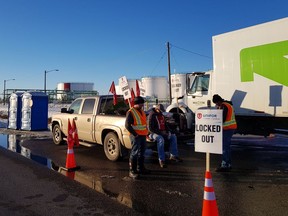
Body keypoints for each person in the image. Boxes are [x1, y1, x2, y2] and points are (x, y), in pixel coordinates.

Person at [147, 104, 182, 168]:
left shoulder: (161, 115)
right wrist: (161, 133)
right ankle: (161, 159)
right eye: (160, 110)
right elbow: (150, 128)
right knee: (160, 139)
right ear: (157, 109)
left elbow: (165, 125)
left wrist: (168, 131)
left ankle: (173, 155)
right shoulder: (151, 116)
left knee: (173, 136)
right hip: (152, 133)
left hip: (161, 132)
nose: (161, 112)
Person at [125, 96, 149, 179]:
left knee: (142, 152)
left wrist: (147, 132)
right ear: (137, 104)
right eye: (141, 103)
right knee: (134, 153)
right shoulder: (131, 112)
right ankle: (132, 171)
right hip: (136, 136)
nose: (143, 105)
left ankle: (140, 168)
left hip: (143, 135)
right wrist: (135, 134)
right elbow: (127, 125)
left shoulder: (141, 111)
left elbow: (143, 124)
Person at [212, 94, 237, 172]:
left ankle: (224, 164)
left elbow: (223, 118)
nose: (216, 105)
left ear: (219, 101)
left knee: (224, 147)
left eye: (216, 103)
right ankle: (228, 163)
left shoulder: (224, 106)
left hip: (227, 128)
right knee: (227, 147)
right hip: (231, 128)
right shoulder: (229, 105)